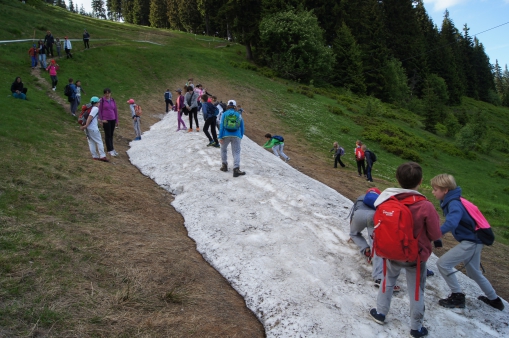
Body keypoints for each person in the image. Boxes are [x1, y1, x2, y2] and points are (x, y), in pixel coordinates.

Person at [369, 162, 441, 338]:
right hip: (415, 256)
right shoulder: (425, 206)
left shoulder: (386, 199)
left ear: (397, 179)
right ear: (421, 181)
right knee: (416, 289)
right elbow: (434, 233)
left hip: (390, 251)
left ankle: (380, 313)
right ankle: (416, 328)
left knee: (387, 281)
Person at [431, 174, 504, 311]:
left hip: (471, 242)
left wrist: (434, 235)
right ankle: (495, 300)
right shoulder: (454, 200)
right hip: (475, 240)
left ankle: (457, 296)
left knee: (443, 264)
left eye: (435, 189)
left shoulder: (453, 203)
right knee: (474, 273)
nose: (433, 192)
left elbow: (452, 222)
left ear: (445, 190)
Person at [348, 188, 400, 291]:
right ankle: (379, 277)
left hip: (359, 215)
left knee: (354, 234)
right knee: (376, 245)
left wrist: (352, 231)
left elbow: (352, 214)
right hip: (373, 216)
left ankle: (365, 249)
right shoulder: (379, 199)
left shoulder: (360, 198)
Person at [218, 100, 245, 177]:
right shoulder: (238, 115)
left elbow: (221, 126)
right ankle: (236, 169)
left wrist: (220, 137)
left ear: (228, 105)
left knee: (223, 150)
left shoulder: (224, 114)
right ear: (235, 106)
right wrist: (240, 136)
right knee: (236, 152)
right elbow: (242, 127)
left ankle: (224, 166)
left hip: (225, 135)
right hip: (236, 136)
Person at [80, 96, 109, 162]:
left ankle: (95, 156)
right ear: (96, 103)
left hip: (88, 129)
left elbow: (94, 118)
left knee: (91, 142)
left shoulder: (90, 108)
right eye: (99, 102)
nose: (99, 103)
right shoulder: (95, 109)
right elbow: (90, 117)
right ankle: (102, 156)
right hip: (93, 128)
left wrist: (101, 121)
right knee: (99, 142)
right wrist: (86, 125)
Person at [98, 88, 119, 157]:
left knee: (111, 134)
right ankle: (109, 150)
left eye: (108, 93)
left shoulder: (113, 100)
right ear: (104, 94)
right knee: (108, 135)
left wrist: (117, 120)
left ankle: (112, 148)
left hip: (112, 119)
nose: (107, 95)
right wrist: (101, 120)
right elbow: (99, 110)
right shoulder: (102, 101)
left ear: (110, 93)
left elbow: (115, 110)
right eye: (106, 93)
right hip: (106, 119)